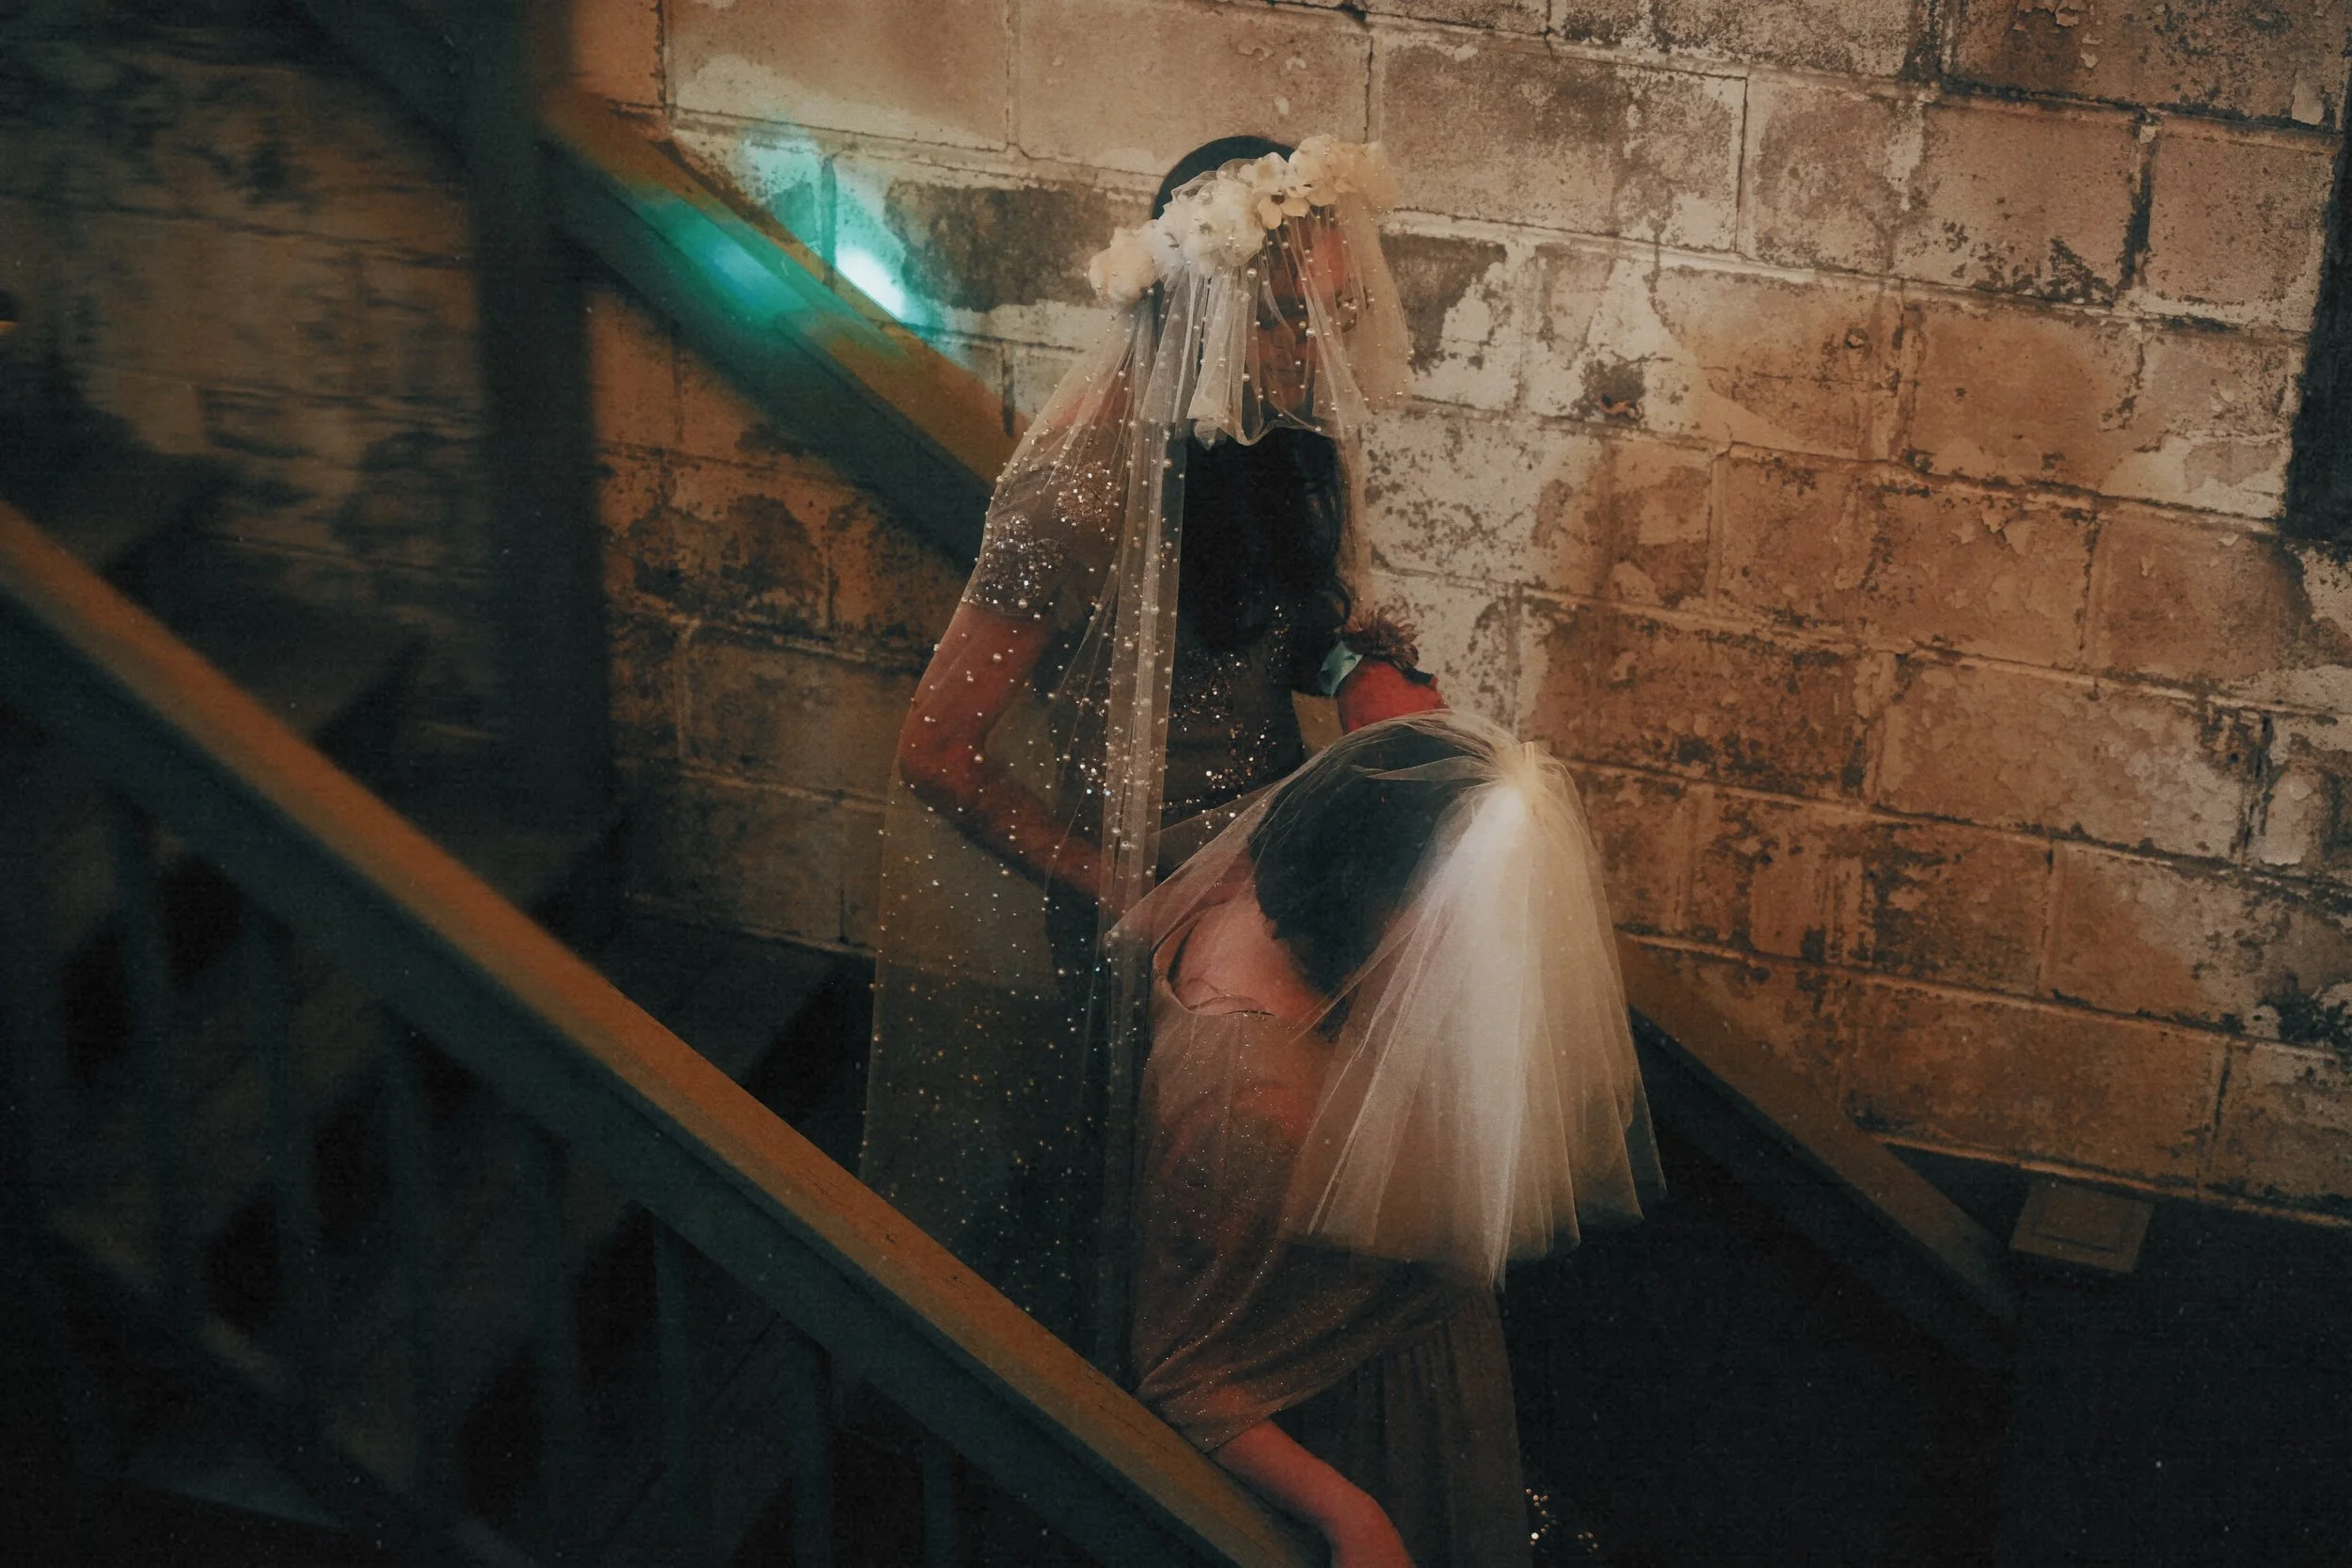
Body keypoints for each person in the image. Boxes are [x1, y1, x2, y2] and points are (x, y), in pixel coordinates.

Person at [863, 134, 1437, 1362]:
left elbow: (1246, 640)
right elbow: (936, 751)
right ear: (1205, 302)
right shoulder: (1076, 488)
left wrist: (1353, 660)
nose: (1314, 350)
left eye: (1333, 312)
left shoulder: (1267, 429)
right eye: (1289, 318)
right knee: (1173, 1252)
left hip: (1269, 861)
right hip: (1143, 901)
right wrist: (1130, 894)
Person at [1117, 711, 1665, 1567]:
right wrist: (1348, 1512)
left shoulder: (1251, 905)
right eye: (1460, 910)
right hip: (1365, 1426)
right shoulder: (1254, 1107)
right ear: (1368, 890)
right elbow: (1183, 1372)